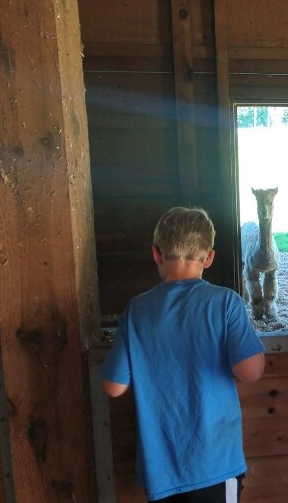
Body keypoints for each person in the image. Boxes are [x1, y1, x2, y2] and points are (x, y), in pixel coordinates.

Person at [102, 207, 265, 503]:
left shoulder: (136, 310)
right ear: (210, 257)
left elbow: (113, 387)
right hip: (216, 462)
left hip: (161, 468)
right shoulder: (227, 303)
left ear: (156, 253)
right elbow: (251, 371)